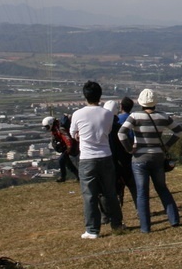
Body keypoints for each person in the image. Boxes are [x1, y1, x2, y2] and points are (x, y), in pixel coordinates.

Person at [117, 88, 182, 233]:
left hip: (140, 157)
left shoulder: (135, 116)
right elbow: (179, 131)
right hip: (158, 156)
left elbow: (121, 133)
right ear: (155, 103)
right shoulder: (163, 116)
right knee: (162, 188)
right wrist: (166, 145)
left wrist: (129, 149)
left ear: (141, 102)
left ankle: (145, 227)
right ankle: (174, 219)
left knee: (142, 192)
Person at [69, 81, 124, 239]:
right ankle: (117, 224)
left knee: (90, 195)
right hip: (106, 156)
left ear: (85, 95)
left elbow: (74, 133)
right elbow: (107, 131)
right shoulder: (107, 114)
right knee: (110, 193)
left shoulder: (78, 114)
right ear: (100, 96)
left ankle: (92, 229)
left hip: (87, 158)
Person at [108, 97, 137, 209]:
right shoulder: (134, 119)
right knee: (133, 186)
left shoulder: (116, 122)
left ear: (121, 107)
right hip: (130, 156)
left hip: (115, 159)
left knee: (115, 188)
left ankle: (114, 213)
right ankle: (140, 210)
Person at [43, 116, 79, 183]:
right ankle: (77, 176)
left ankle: (63, 177)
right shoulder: (55, 129)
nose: (47, 129)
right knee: (67, 163)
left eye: (47, 127)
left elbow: (67, 139)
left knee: (61, 160)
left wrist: (68, 149)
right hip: (68, 147)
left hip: (70, 147)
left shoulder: (60, 129)